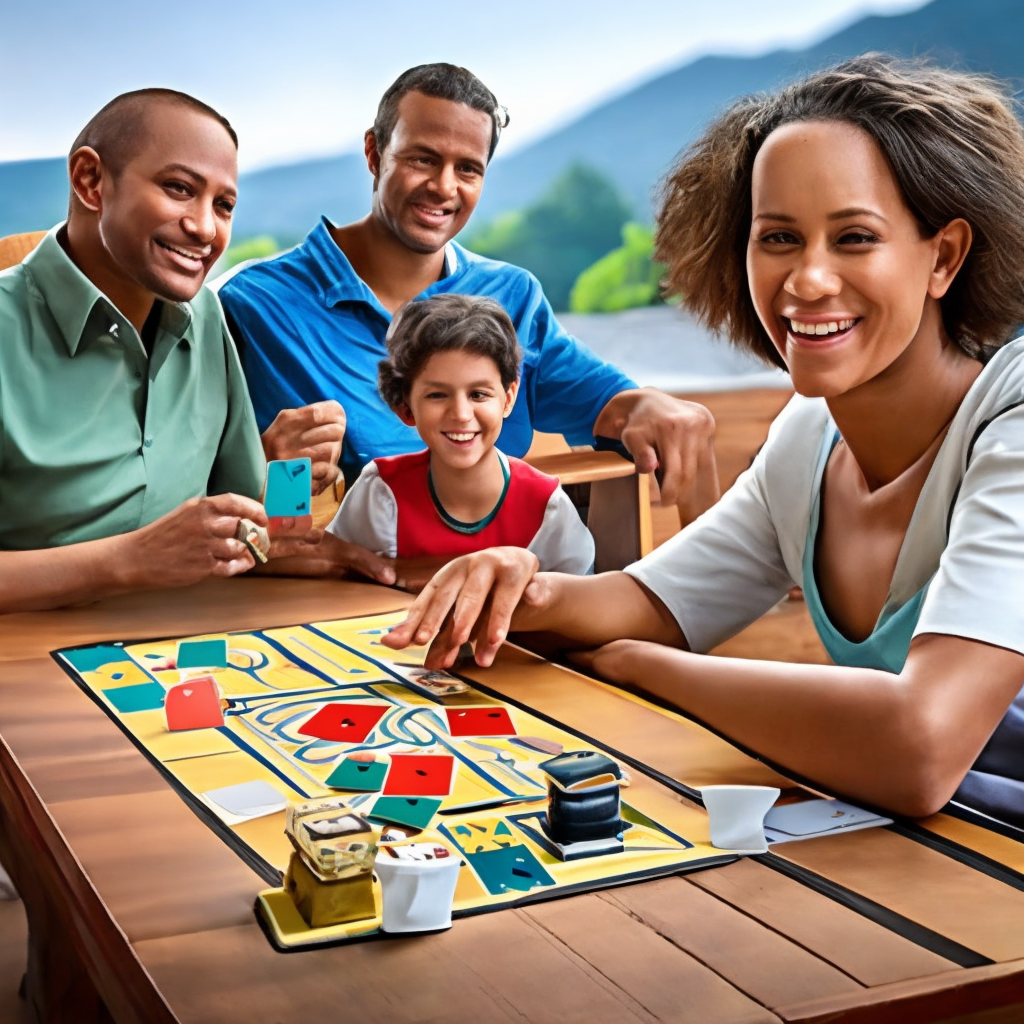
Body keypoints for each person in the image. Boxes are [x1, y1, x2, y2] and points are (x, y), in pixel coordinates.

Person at [382, 55, 1024, 826]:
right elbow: (655, 600)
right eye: (779, 237)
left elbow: (919, 749)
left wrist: (641, 668)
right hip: (953, 854)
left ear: (944, 257)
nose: (807, 280)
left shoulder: (1013, 421)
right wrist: (524, 583)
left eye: (854, 237)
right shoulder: (808, 437)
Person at [216, 63, 719, 525]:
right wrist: (271, 479)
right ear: (374, 153)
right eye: (422, 159)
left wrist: (648, 405)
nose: (443, 187)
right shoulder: (257, 305)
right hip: (348, 598)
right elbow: (270, 501)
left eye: (468, 169)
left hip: (501, 586)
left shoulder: (512, 295)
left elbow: (608, 404)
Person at [0, 88, 393, 615]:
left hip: (189, 641)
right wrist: (129, 560)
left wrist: (286, 477)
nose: (206, 228)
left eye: (224, 205)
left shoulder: (205, 316)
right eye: (179, 189)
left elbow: (255, 529)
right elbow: (157, 554)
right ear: (90, 181)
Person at [328, 294, 594, 575]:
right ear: (405, 406)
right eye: (437, 395)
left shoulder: (546, 505)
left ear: (508, 398)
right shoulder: (381, 490)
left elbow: (580, 603)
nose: (461, 414)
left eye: (478, 394)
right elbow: (340, 581)